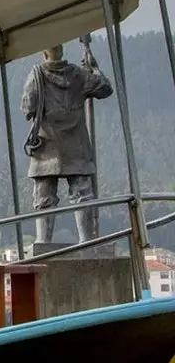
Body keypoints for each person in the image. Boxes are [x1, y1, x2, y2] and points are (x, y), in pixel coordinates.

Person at [21, 41, 114, 246]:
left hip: (47, 146)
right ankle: (86, 240)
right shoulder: (79, 75)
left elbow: (28, 107)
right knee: (82, 194)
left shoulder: (36, 75)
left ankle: (43, 242)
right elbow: (106, 88)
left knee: (44, 197)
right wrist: (95, 68)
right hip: (76, 146)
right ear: (62, 50)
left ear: (44, 53)